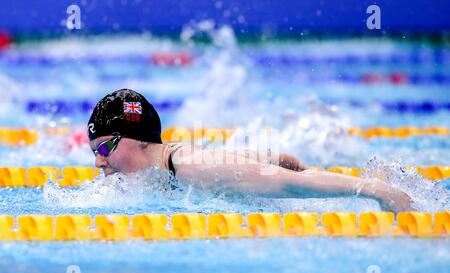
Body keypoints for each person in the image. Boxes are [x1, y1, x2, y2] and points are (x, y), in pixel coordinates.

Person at [88, 88, 412, 212]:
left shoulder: (193, 167)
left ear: (142, 138)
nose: (99, 161)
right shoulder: (168, 165)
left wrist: (373, 189)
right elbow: (283, 166)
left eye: (106, 146)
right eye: (94, 151)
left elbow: (291, 183)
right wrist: (275, 161)